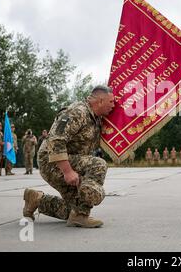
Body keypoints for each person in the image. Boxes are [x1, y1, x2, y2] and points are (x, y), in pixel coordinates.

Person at [23, 85, 114, 228]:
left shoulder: (95, 117)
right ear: (100, 101)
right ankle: (80, 215)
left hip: (70, 160)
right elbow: (55, 139)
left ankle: (36, 199)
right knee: (98, 164)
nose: (113, 106)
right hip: (52, 162)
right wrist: (67, 171)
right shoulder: (77, 112)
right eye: (111, 102)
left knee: (71, 209)